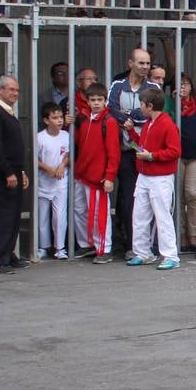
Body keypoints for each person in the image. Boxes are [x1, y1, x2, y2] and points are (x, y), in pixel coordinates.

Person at [124, 85, 181, 269]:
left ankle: (171, 255)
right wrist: (132, 133)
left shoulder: (167, 125)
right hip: (146, 176)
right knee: (139, 216)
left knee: (163, 216)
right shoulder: (150, 123)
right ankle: (142, 252)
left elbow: (175, 151)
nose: (139, 107)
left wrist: (151, 156)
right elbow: (140, 148)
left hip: (160, 178)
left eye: (141, 104)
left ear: (149, 106)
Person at [107, 48, 157, 252]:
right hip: (125, 150)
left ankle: (146, 244)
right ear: (130, 63)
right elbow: (109, 108)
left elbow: (152, 112)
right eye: (141, 63)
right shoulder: (118, 85)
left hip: (145, 152)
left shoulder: (153, 86)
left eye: (147, 63)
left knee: (147, 199)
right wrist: (123, 117)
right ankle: (131, 244)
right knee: (128, 199)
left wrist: (129, 116)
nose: (145, 67)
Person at [0, 75, 29, 274]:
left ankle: (8, 254)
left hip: (14, 171)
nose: (15, 94)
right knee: (2, 216)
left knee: (13, 216)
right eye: (11, 90)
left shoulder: (7, 112)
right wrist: (8, 173)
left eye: (17, 90)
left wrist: (21, 172)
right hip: (0, 174)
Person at [72, 81, 120, 263]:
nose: (96, 103)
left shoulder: (110, 122)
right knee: (80, 210)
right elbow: (78, 142)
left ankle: (104, 248)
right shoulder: (84, 120)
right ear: (87, 101)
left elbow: (114, 153)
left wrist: (109, 177)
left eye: (100, 100)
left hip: (98, 177)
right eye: (93, 100)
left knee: (100, 213)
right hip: (82, 174)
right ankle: (86, 245)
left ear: (105, 101)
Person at [35, 101, 70, 260]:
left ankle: (60, 247)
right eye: (55, 117)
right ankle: (43, 246)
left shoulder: (66, 135)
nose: (60, 120)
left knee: (59, 216)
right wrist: (48, 168)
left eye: (61, 117)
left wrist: (62, 165)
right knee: (43, 216)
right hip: (44, 182)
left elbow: (69, 154)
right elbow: (35, 160)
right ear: (46, 120)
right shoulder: (40, 138)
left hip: (61, 182)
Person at [177, 74, 196, 252]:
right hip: (178, 155)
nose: (183, 87)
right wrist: (174, 100)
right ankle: (180, 234)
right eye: (179, 84)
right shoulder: (170, 103)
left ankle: (193, 235)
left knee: (192, 194)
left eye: (186, 83)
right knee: (178, 195)